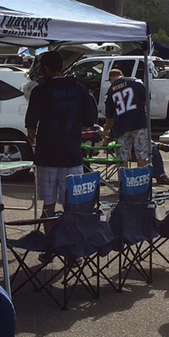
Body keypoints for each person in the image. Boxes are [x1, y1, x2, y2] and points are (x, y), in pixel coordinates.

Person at [24, 50, 97, 217]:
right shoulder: (80, 89)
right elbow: (88, 121)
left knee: (48, 205)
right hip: (71, 153)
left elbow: (31, 122)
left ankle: (50, 239)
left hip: (47, 155)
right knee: (71, 203)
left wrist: (31, 138)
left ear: (46, 69)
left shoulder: (40, 90)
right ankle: (68, 238)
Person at [102, 67, 163, 178]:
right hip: (138, 122)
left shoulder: (110, 90)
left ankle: (125, 182)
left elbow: (109, 116)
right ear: (122, 74)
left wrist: (106, 130)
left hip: (121, 126)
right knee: (141, 153)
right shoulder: (135, 81)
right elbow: (146, 99)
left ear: (111, 79)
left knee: (123, 156)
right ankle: (142, 180)